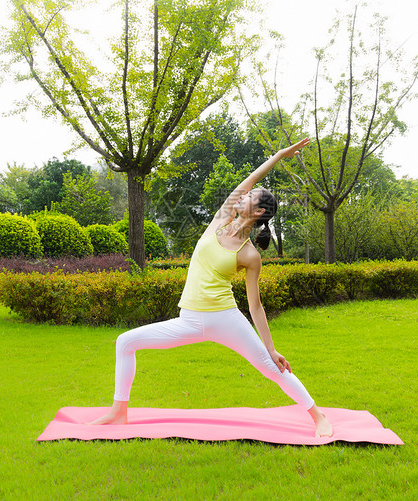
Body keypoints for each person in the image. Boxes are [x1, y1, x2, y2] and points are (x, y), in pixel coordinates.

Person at [88, 137, 332, 437]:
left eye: (250, 197)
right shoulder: (219, 221)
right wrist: (279, 156)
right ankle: (118, 412)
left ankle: (318, 416)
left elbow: (255, 305)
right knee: (125, 342)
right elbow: (250, 179)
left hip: (225, 318)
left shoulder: (249, 254)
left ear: (258, 213)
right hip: (189, 320)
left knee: (272, 367)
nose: (242, 196)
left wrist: (271, 348)